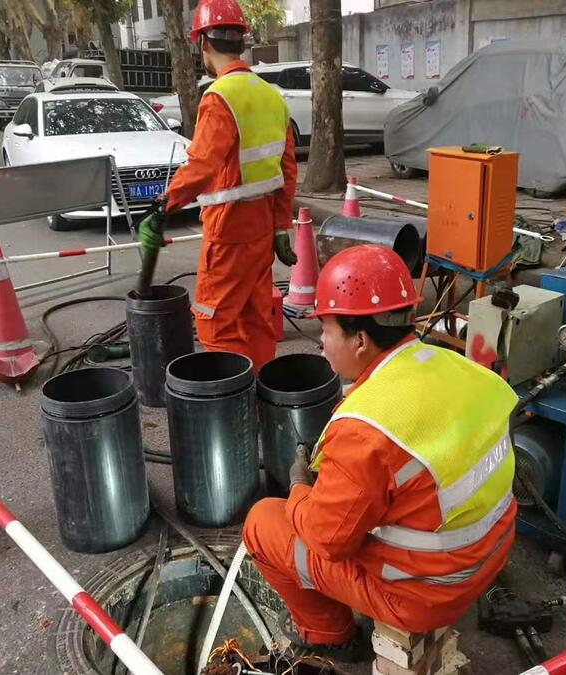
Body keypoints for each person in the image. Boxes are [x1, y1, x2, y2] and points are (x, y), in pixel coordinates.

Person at [243, 245, 519, 660]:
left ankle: (329, 636)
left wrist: (300, 489)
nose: (322, 342)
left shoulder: (365, 430)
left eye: (327, 330)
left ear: (359, 340)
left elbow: (327, 540)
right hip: (493, 550)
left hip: (423, 593)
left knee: (263, 522)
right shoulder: (458, 367)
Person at [136, 0, 298, 372]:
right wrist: (280, 227)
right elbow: (286, 171)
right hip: (259, 230)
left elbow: (203, 165)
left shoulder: (219, 97)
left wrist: (163, 205)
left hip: (227, 229)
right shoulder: (271, 96)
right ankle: (259, 395)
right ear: (241, 42)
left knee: (216, 321)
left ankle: (228, 409)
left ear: (202, 43)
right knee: (256, 317)